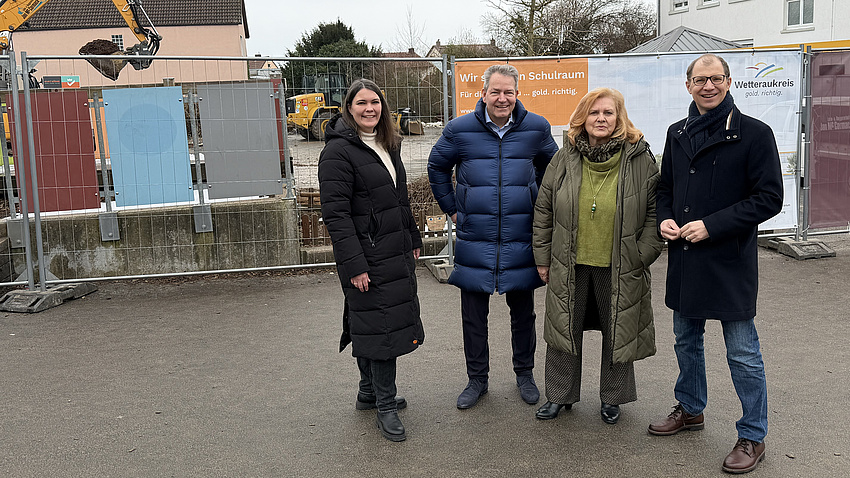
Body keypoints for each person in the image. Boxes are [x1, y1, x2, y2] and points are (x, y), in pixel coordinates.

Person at [648, 54, 783, 474]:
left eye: (716, 79)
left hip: (728, 261)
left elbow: (769, 199)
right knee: (686, 341)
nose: (708, 86)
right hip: (686, 259)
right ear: (687, 84)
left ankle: (753, 435)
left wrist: (711, 225)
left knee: (742, 352)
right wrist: (665, 218)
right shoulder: (677, 132)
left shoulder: (755, 133)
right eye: (700, 79)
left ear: (728, 82)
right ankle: (690, 408)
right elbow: (665, 186)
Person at [428, 64, 558, 409]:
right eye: (496, 92)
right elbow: (437, 166)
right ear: (482, 94)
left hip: (521, 235)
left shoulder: (536, 128)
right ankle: (477, 380)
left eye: (509, 92)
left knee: (523, 314)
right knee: (473, 315)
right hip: (475, 235)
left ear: (517, 94)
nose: (502, 99)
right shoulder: (459, 130)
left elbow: (554, 167)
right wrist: (453, 208)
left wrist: (540, 205)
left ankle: (525, 375)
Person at [532, 88, 663, 425]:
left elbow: (654, 214)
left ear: (620, 118)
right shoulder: (564, 157)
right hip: (569, 262)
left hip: (620, 264)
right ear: (582, 119)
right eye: (594, 113)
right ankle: (559, 396)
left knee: (617, 330)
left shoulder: (640, 159)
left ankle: (613, 399)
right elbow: (544, 208)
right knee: (563, 330)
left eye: (608, 113)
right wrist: (543, 258)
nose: (601, 119)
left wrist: (642, 255)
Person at [318, 79, 425, 442]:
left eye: (375, 102)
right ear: (348, 108)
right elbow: (336, 216)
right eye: (361, 103)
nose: (369, 109)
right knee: (381, 328)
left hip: (392, 250)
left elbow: (399, 200)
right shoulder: (337, 153)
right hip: (366, 255)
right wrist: (355, 265)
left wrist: (412, 237)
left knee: (371, 320)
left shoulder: (386, 144)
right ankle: (385, 406)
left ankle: (368, 392)